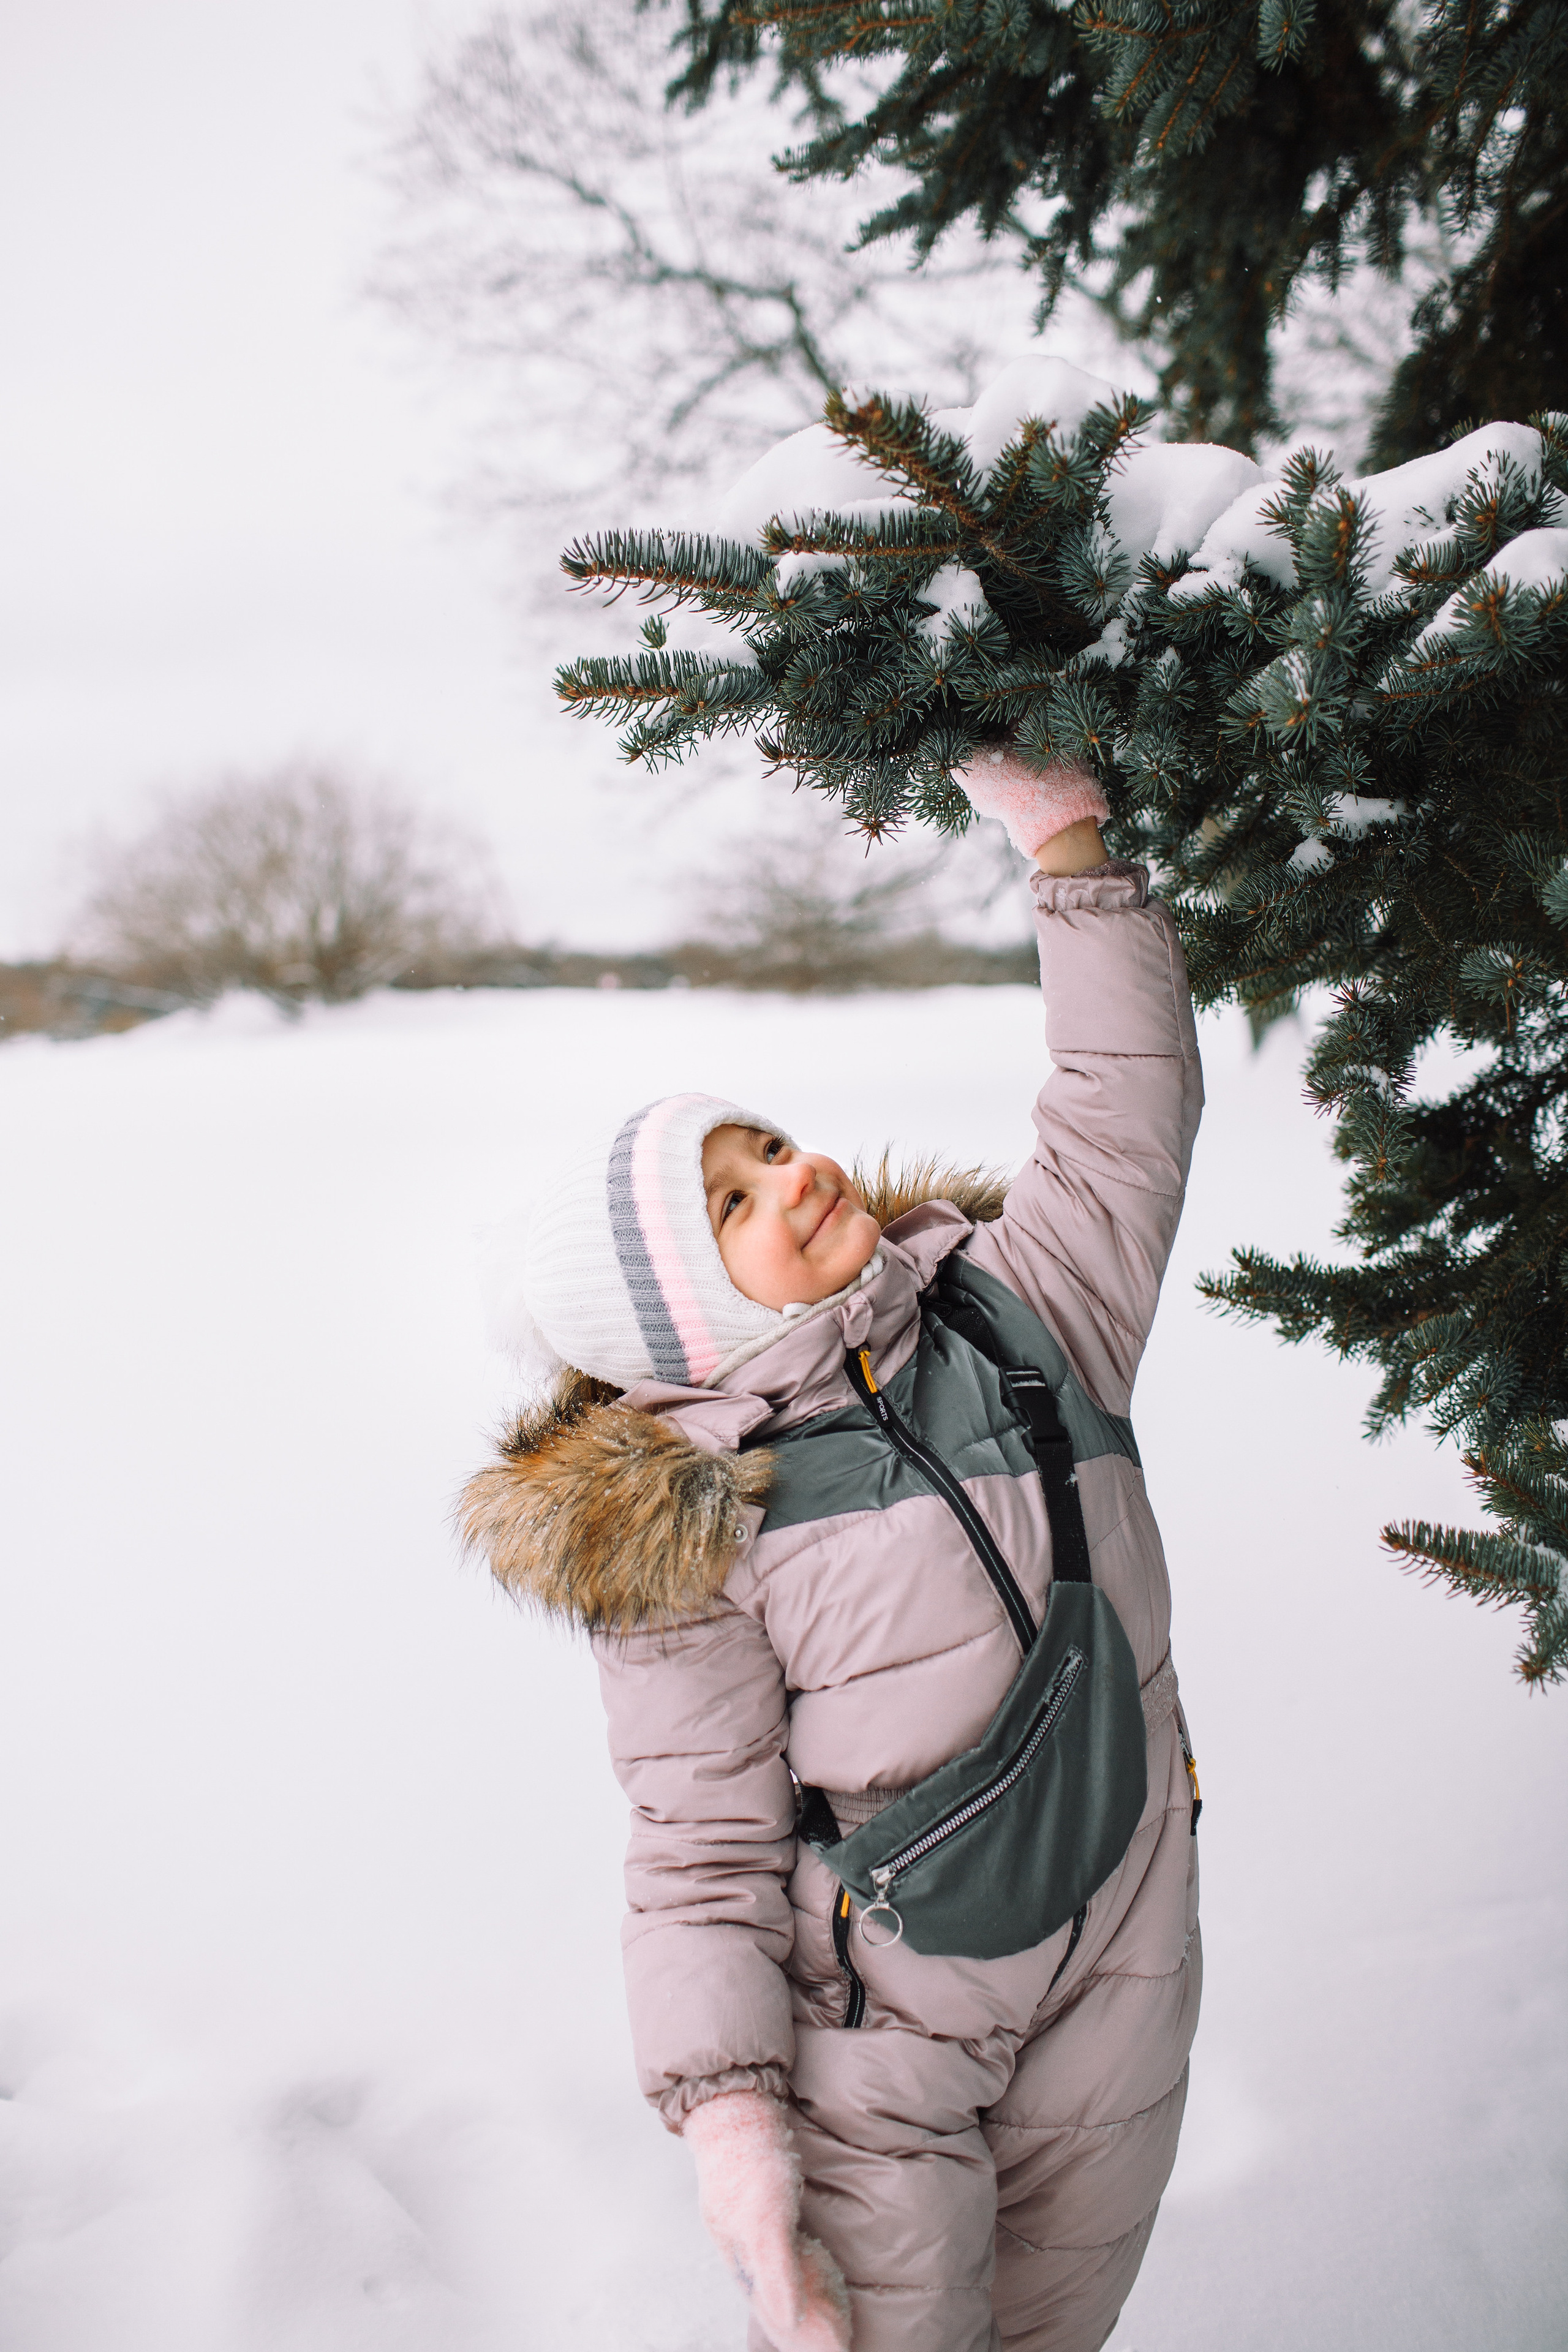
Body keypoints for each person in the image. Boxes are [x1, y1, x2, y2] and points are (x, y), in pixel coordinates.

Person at [461, 752, 1204, 2352]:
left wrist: (1064, 844)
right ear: (689, 1318)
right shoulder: (687, 1521)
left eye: (775, 1140)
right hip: (883, 2028)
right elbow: (698, 1844)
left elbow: (1127, 1109)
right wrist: (733, 2119)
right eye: (734, 1195)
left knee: (1061, 2322)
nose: (798, 1170)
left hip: (1127, 1950)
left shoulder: (1023, 1316)